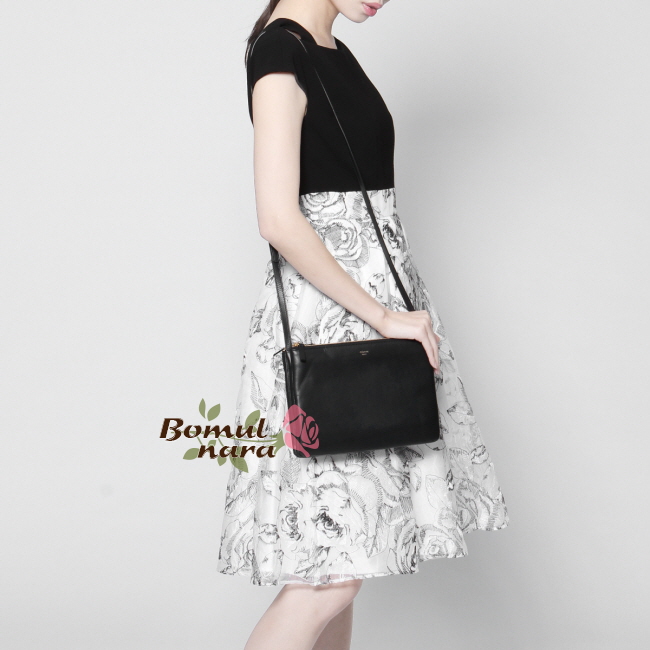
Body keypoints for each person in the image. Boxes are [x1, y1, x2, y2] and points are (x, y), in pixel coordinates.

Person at [217, 2, 510, 648]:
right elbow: (277, 217)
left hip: (374, 325)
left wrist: (390, 316)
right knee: (330, 577)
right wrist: (382, 315)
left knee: (352, 559)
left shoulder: (331, 51)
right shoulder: (281, 52)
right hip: (333, 328)